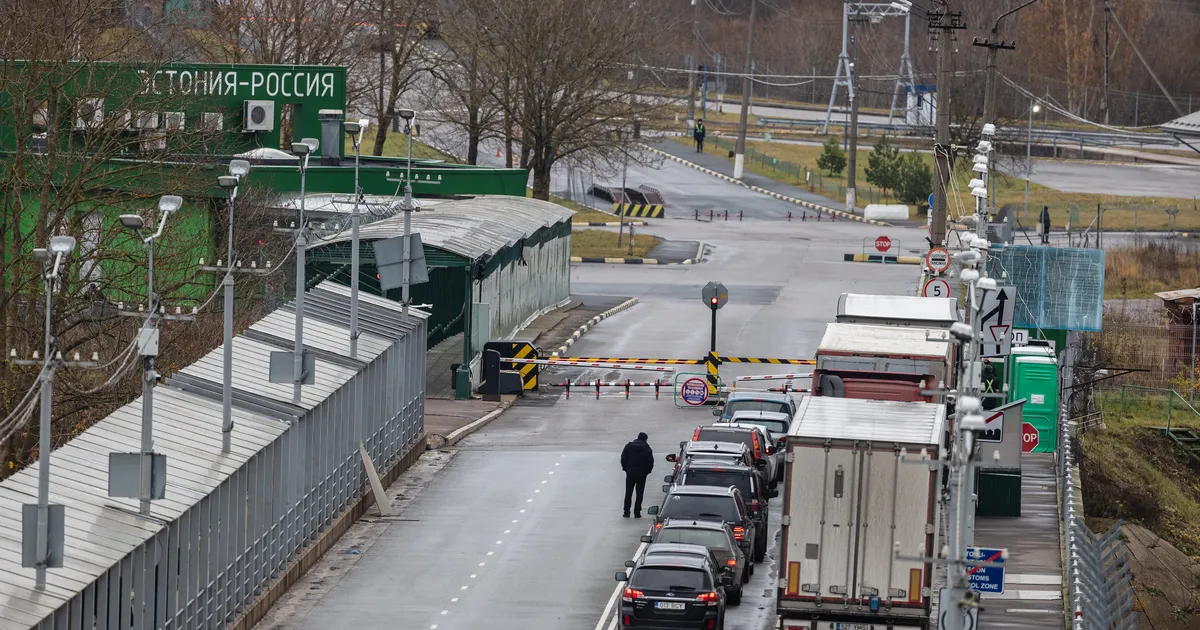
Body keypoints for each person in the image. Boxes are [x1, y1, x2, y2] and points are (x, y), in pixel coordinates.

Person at [620, 432, 654, 518]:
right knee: (639, 493)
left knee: (628, 492)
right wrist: (647, 472)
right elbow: (650, 462)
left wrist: (626, 468)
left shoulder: (628, 446)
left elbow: (623, 458)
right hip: (642, 473)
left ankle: (626, 511)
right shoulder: (647, 449)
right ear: (645, 439)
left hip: (630, 471)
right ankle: (637, 512)